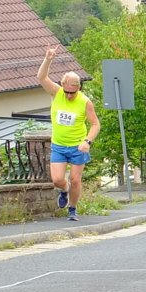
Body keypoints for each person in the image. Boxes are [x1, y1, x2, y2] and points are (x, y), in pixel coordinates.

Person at [37, 45, 100, 221]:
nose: (70, 95)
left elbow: (95, 124)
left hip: (77, 146)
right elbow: (41, 77)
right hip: (59, 145)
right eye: (67, 92)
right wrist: (48, 59)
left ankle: (72, 210)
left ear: (78, 88)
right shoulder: (57, 93)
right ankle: (63, 191)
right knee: (57, 180)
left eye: (73, 92)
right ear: (62, 85)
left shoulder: (85, 102)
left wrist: (87, 141)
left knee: (76, 180)